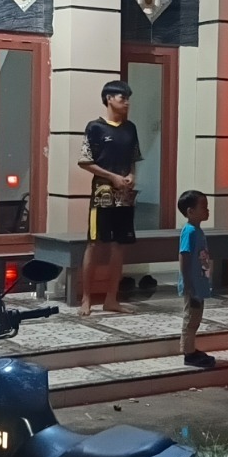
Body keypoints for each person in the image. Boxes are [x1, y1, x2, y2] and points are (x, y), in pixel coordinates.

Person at [77, 80, 140, 316]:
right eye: (122, 98)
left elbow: (133, 159)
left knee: (119, 246)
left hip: (125, 196)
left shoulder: (130, 128)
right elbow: (85, 161)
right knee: (94, 243)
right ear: (109, 99)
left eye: (128, 98)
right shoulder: (95, 127)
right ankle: (86, 298)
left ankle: (111, 298)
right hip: (102, 195)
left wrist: (131, 175)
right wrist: (112, 176)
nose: (127, 102)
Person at [177, 189, 217, 369]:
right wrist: (187, 282)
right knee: (191, 318)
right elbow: (184, 255)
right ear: (190, 211)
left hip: (199, 283)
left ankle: (191, 348)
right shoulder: (189, 231)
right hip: (192, 284)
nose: (207, 210)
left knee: (196, 317)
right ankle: (188, 353)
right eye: (204, 207)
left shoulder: (198, 231)